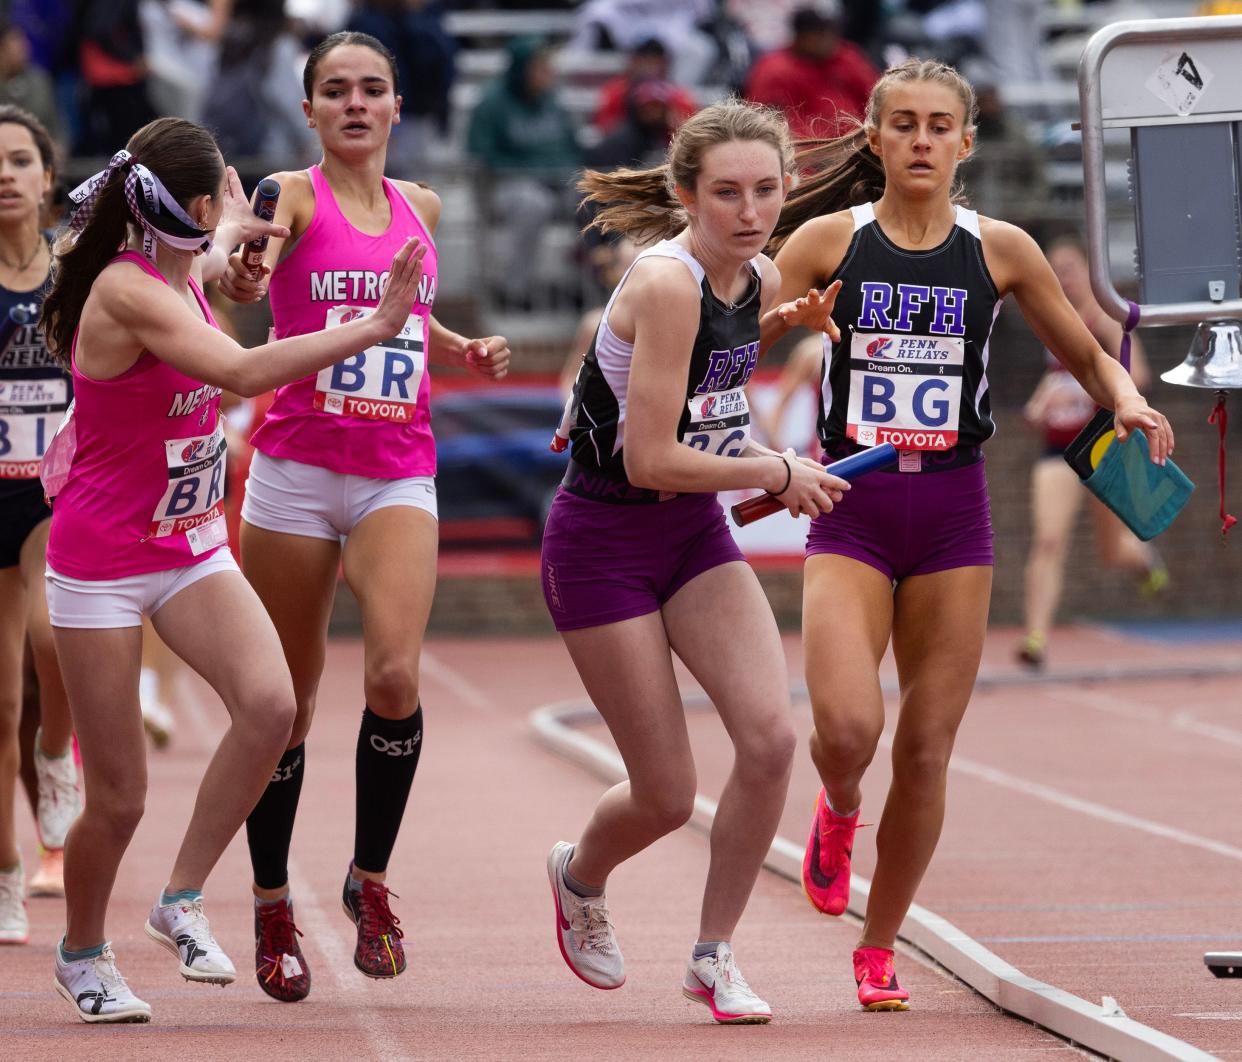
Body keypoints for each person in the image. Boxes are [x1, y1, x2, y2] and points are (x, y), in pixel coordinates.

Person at [763, 57, 1174, 1011]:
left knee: (927, 748)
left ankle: (878, 946)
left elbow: (1089, 350)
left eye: (937, 125)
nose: (919, 140)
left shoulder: (1002, 248)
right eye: (900, 124)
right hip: (853, 508)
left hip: (952, 515)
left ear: (965, 142)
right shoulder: (830, 239)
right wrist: (787, 319)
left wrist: (1130, 399)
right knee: (847, 728)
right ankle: (838, 808)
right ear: (873, 139)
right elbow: (729, 332)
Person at [38, 114, 428, 1023]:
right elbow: (244, 374)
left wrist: (241, 256)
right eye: (228, 194)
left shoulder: (185, 267)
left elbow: (216, 267)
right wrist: (375, 324)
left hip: (188, 545)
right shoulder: (128, 293)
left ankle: (179, 900)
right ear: (202, 201)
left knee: (272, 706)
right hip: (102, 560)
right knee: (121, 798)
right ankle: (83, 952)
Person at [217, 31, 511, 1004]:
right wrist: (244, 272)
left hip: (395, 470)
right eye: (334, 90)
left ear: (394, 107)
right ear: (309, 111)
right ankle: (270, 903)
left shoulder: (420, 210)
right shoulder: (289, 195)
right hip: (296, 473)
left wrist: (461, 343)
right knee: (285, 706)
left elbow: (402, 308)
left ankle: (370, 882)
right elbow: (251, 269)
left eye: (371, 89)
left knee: (392, 672)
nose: (353, 102)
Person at [542, 98, 847, 1025]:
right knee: (669, 794)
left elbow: (697, 394)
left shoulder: (751, 275)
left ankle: (714, 956)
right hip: (603, 540)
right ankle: (579, 875)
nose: (749, 211)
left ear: (787, 191)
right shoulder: (668, 283)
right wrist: (776, 467)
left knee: (768, 741)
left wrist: (782, 321)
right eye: (725, 193)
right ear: (685, 195)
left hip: (692, 538)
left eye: (765, 190)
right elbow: (648, 458)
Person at [0, 106, 78, 938]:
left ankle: (59, 755)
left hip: (53, 495)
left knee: (54, 642)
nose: (5, 175)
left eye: (20, 159)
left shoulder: (74, 274)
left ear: (47, 177)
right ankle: (7, 874)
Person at [1017, 236, 1166, 668]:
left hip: (1104, 447)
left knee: (1112, 550)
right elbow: (1050, 388)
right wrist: (1040, 406)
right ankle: (1036, 637)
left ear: (1090, 269)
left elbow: (1137, 376)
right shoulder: (1052, 321)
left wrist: (1090, 397)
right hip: (1059, 451)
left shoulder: (1103, 318)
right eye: (1055, 268)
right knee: (1047, 540)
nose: (1062, 276)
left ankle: (1145, 562)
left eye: (1070, 267)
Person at [744, 2, 879, 140]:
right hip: (804, 152)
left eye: (830, 32)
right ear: (799, 36)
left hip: (857, 143)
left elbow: (876, 100)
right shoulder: (774, 68)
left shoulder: (848, 57)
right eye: (819, 34)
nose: (828, 40)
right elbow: (759, 119)